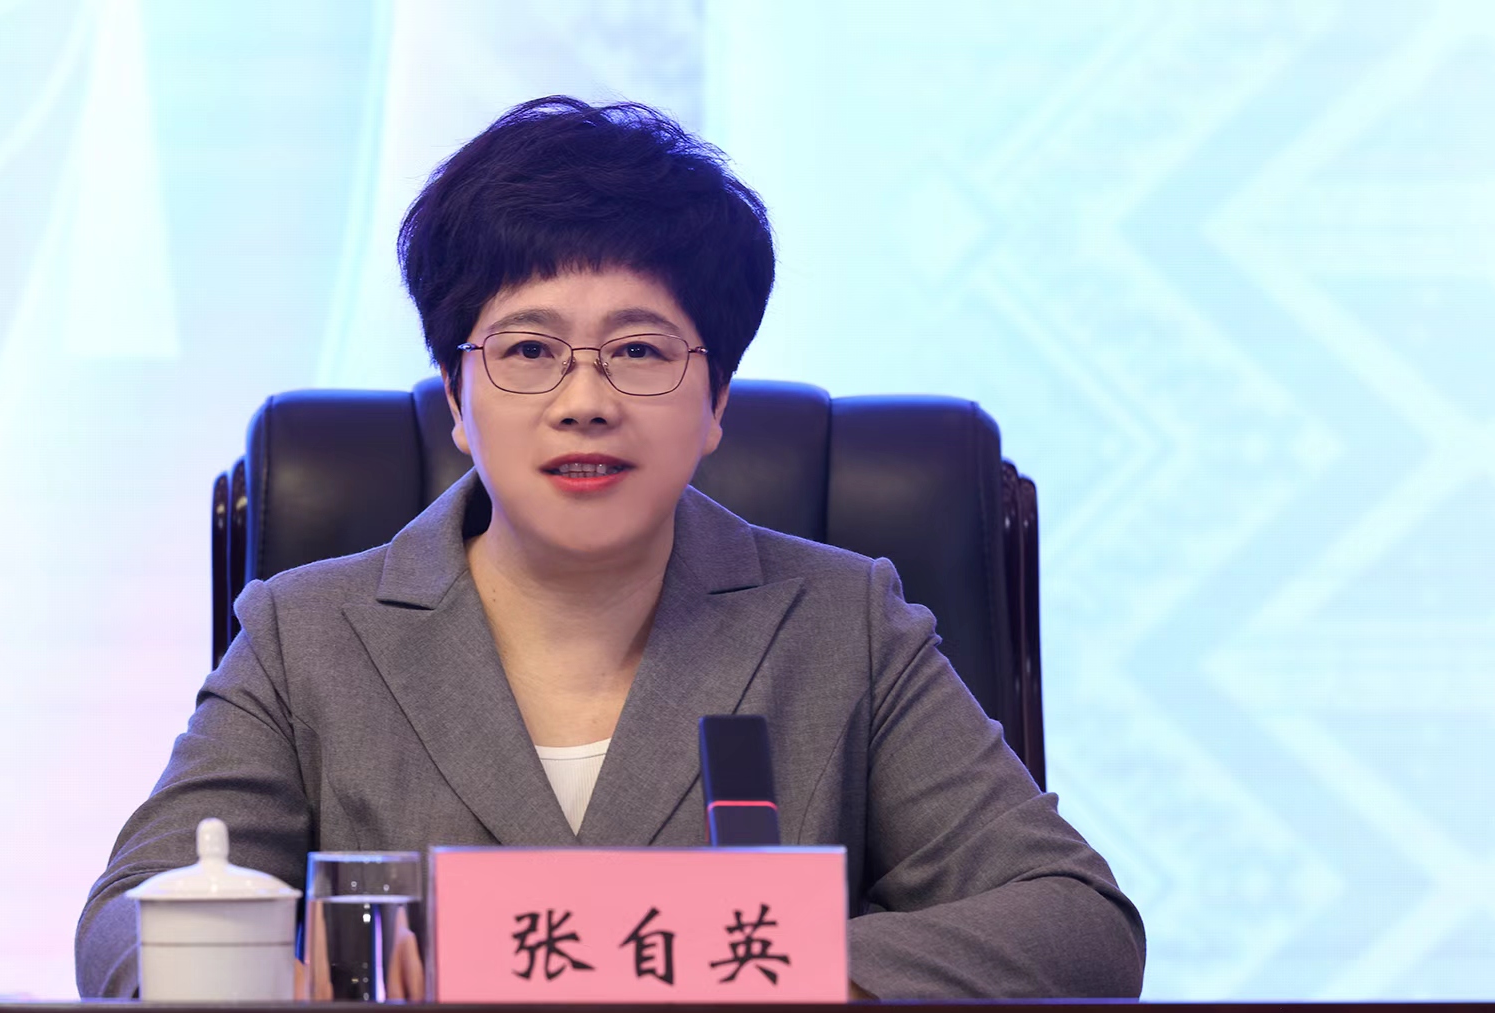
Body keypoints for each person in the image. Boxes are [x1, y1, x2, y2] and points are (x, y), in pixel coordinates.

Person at [76, 96, 1146, 999]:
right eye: (529, 349)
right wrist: (297, 974)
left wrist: (754, 967)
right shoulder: (305, 634)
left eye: (637, 349)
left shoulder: (844, 624)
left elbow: (1076, 922)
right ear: (456, 398)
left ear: (716, 401)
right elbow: (126, 924)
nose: (584, 399)